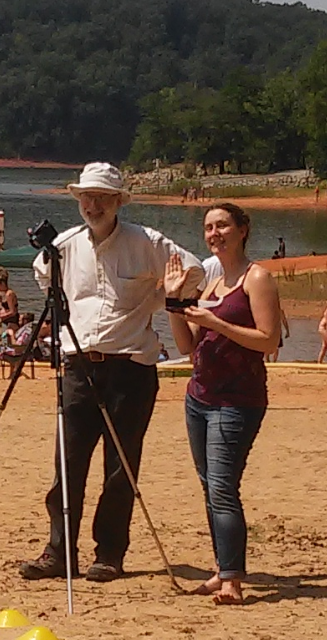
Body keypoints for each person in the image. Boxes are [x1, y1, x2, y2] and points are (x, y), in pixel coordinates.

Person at [19, 162, 204, 583]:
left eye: (102, 197)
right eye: (87, 196)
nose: (93, 204)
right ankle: (59, 552)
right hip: (79, 368)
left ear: (118, 202)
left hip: (131, 368)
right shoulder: (63, 246)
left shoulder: (146, 241)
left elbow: (194, 271)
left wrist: (160, 299)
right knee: (67, 465)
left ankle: (110, 553)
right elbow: (43, 277)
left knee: (120, 467)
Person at [165, 202, 280, 605]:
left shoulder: (257, 278)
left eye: (223, 226)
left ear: (243, 229)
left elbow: (268, 340)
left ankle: (232, 578)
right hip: (199, 396)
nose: (215, 234)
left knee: (223, 487)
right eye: (209, 227)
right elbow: (185, 346)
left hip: (238, 399)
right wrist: (174, 301)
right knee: (210, 487)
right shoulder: (213, 283)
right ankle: (222, 567)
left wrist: (218, 324)